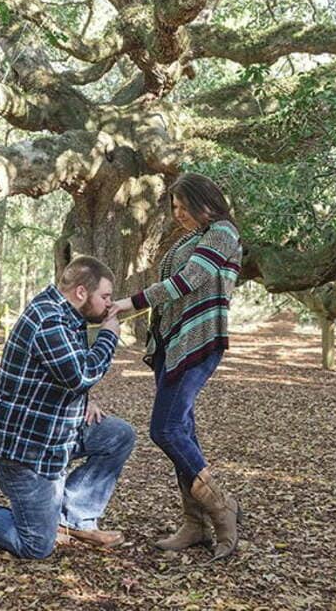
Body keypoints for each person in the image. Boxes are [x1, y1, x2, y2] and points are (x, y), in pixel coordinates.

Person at [0, 255, 135, 559]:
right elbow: (80, 374)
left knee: (118, 435)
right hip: (27, 454)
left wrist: (84, 399)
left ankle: (74, 519)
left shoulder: (65, 315)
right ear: (82, 292)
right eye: (106, 297)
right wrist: (109, 335)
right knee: (35, 546)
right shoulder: (50, 320)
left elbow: (57, 373)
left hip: (55, 435)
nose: (110, 306)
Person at [111, 173, 243, 561]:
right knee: (182, 431)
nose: (177, 214)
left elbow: (189, 281)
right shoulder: (190, 238)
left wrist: (130, 303)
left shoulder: (222, 233)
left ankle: (222, 507)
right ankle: (195, 523)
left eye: (184, 206)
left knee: (164, 428)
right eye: (174, 207)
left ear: (207, 201)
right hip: (173, 341)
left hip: (200, 341)